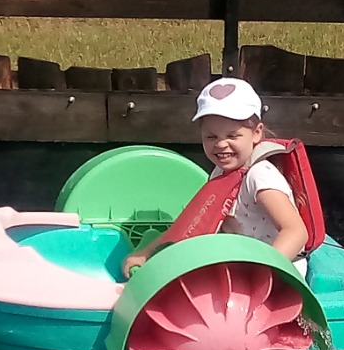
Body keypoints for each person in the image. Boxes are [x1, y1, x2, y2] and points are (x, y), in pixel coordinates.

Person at [121, 77, 309, 277]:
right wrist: (147, 253)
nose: (220, 144)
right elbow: (191, 225)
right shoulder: (221, 172)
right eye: (211, 137)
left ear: (256, 133)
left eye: (232, 136)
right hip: (239, 264)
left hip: (276, 272)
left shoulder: (260, 176)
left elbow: (296, 232)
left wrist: (263, 271)